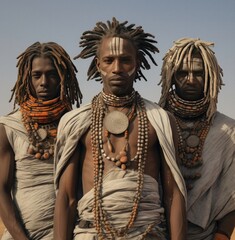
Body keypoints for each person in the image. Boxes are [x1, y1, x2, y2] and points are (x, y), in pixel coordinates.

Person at [54, 17, 187, 240]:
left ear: (137, 62)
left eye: (125, 60)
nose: (117, 68)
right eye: (109, 60)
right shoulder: (76, 122)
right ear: (98, 64)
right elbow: (66, 197)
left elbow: (174, 195)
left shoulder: (159, 120)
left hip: (147, 233)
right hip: (92, 233)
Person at [0, 42, 82, 240]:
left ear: (64, 77)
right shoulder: (9, 127)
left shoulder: (77, 124)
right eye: (37, 75)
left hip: (72, 233)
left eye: (52, 74)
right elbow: (1, 189)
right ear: (27, 79)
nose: (44, 82)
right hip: (22, 232)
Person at [158, 37, 235, 240]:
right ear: (171, 77)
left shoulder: (228, 131)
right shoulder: (154, 122)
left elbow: (233, 195)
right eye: (183, 73)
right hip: (153, 232)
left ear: (211, 77)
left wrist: (223, 234)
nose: (191, 79)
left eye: (199, 73)